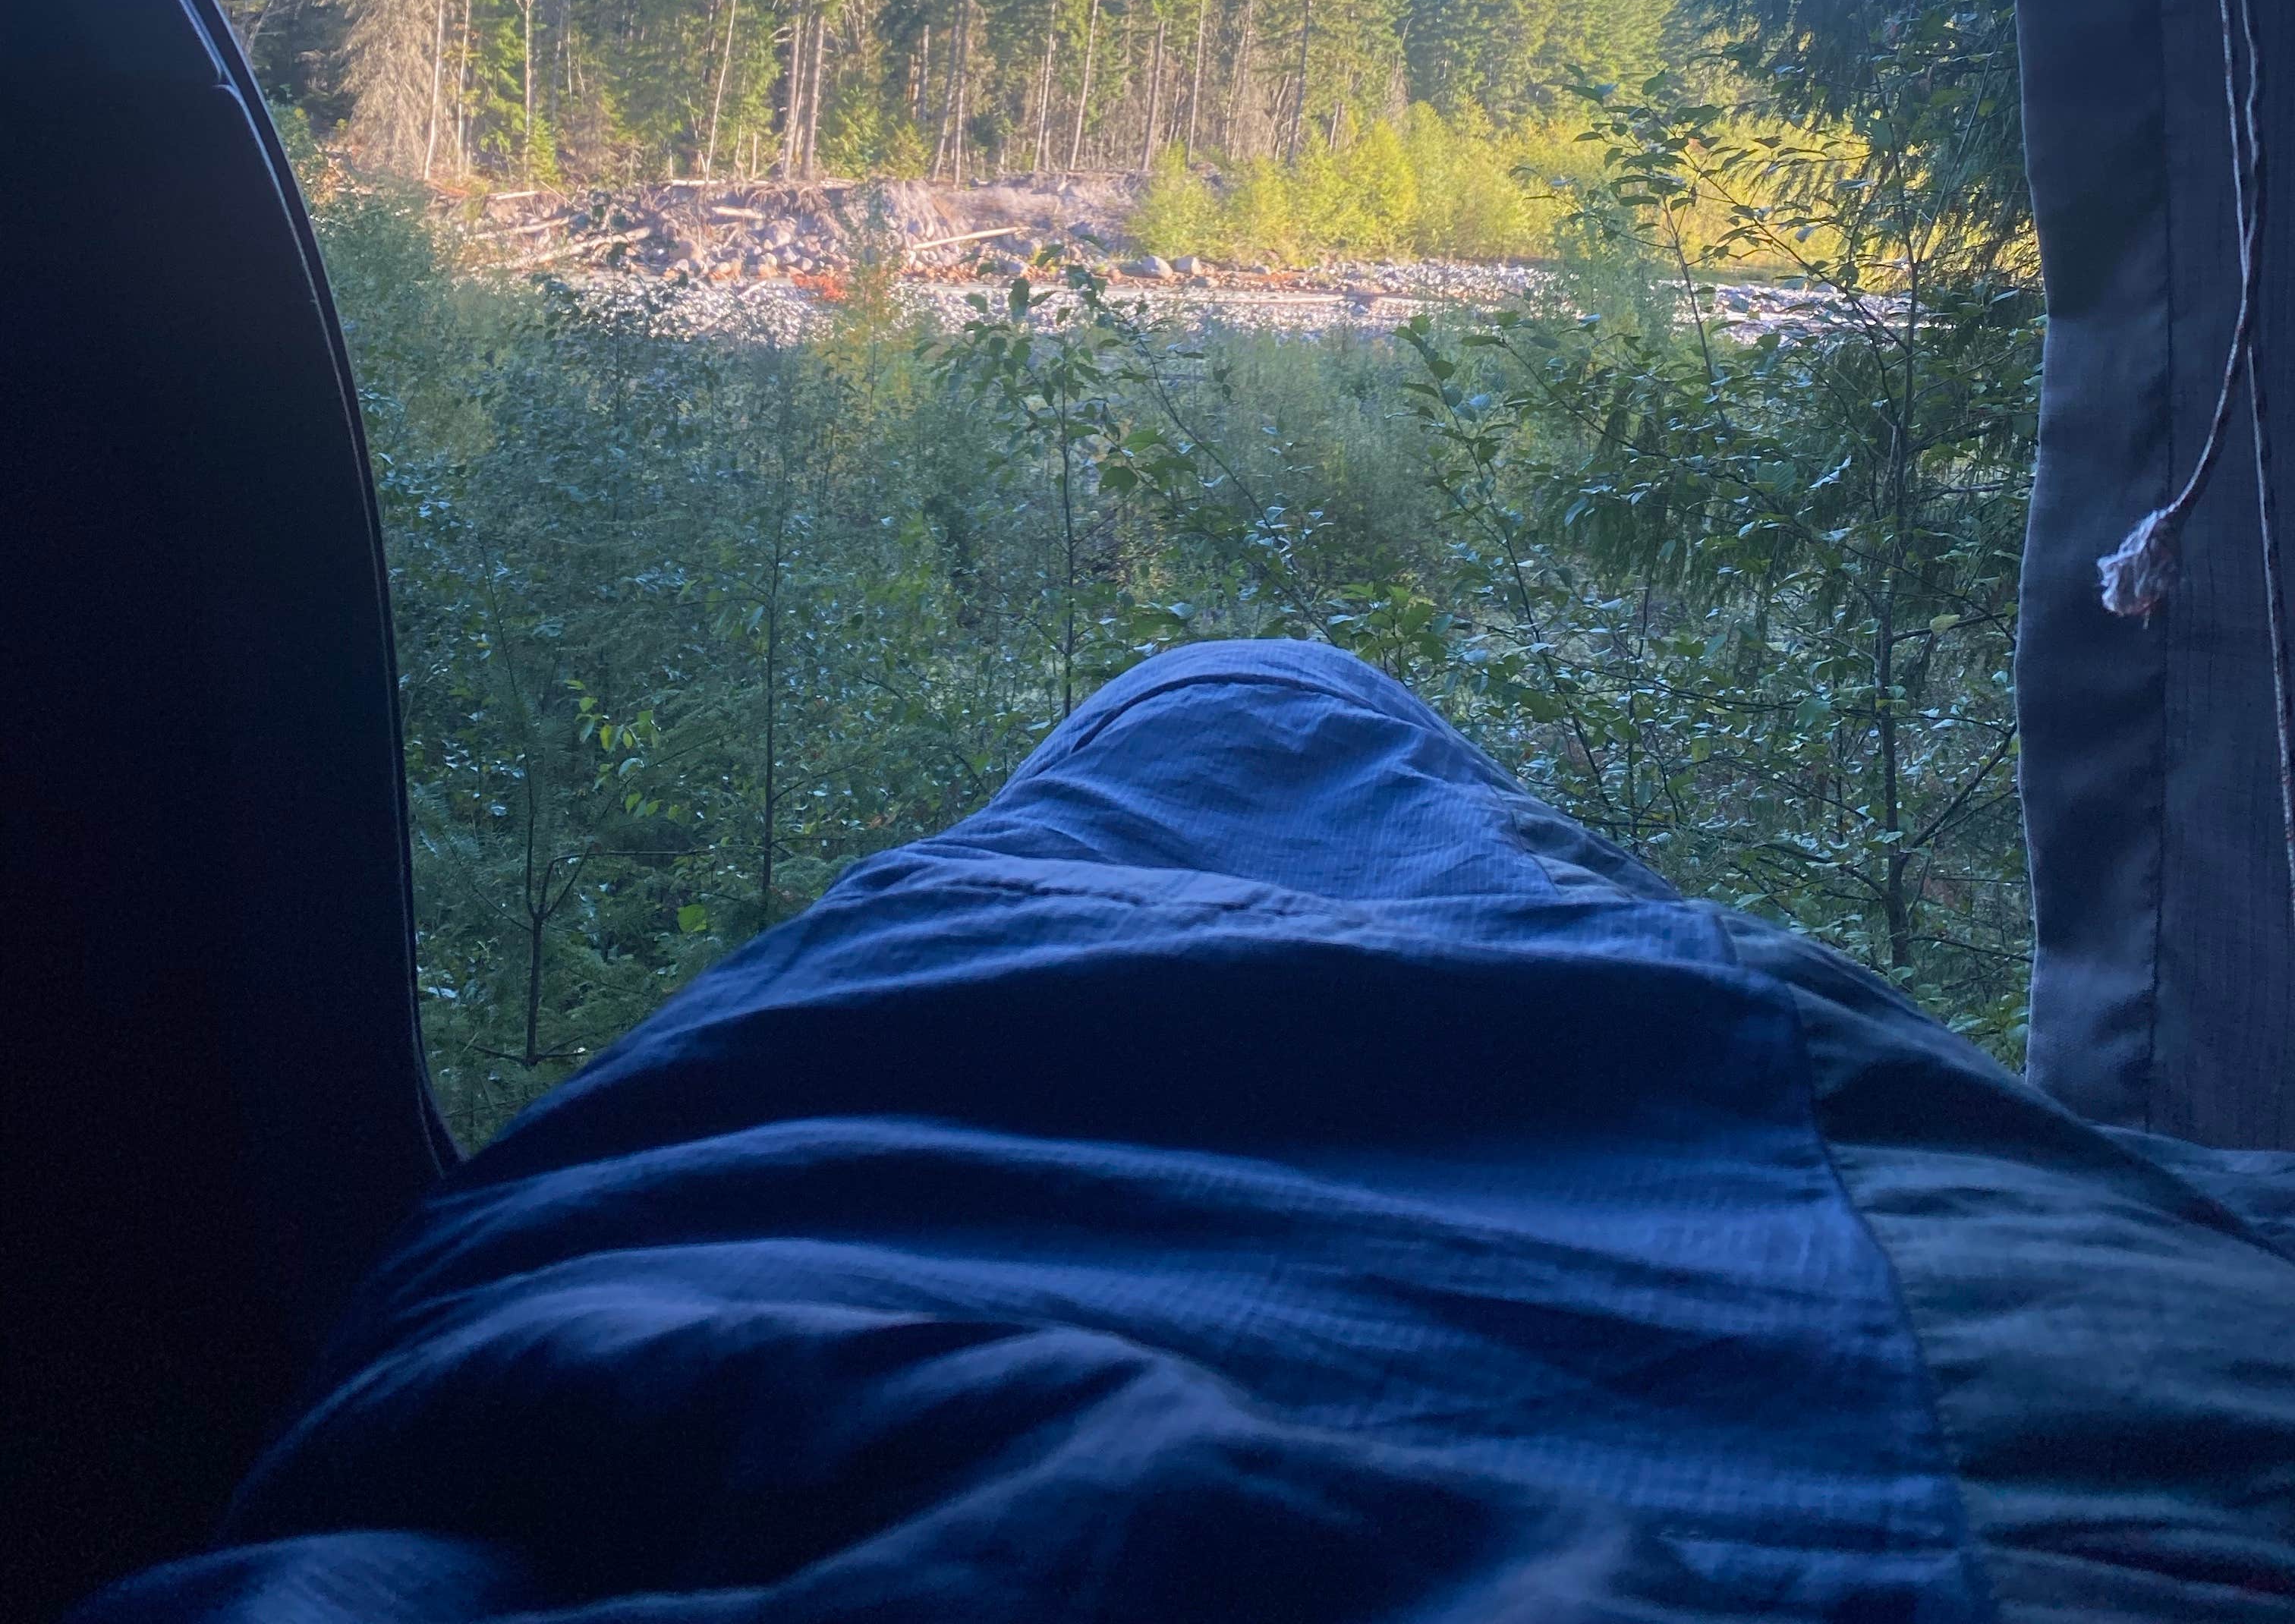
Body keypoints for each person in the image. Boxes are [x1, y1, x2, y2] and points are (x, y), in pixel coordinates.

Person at [83, 643, 2295, 1622]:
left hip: (801, 1140)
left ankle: (1230, 720)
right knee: (1372, 784)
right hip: (1776, 1178)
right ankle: (1283, 722)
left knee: (1213, 744)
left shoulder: (904, 943)